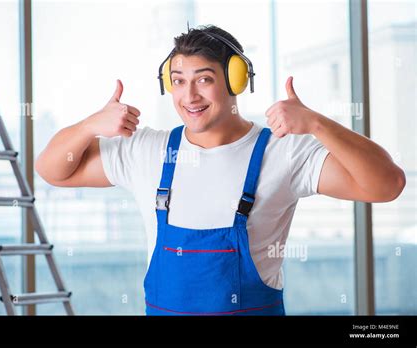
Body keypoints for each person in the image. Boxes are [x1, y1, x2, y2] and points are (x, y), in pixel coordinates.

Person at [35, 25, 406, 316]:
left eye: (204, 79)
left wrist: (318, 125)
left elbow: (387, 184)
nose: (189, 96)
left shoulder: (284, 151)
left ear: (235, 79)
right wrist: (89, 126)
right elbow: (53, 171)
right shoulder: (148, 150)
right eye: (178, 81)